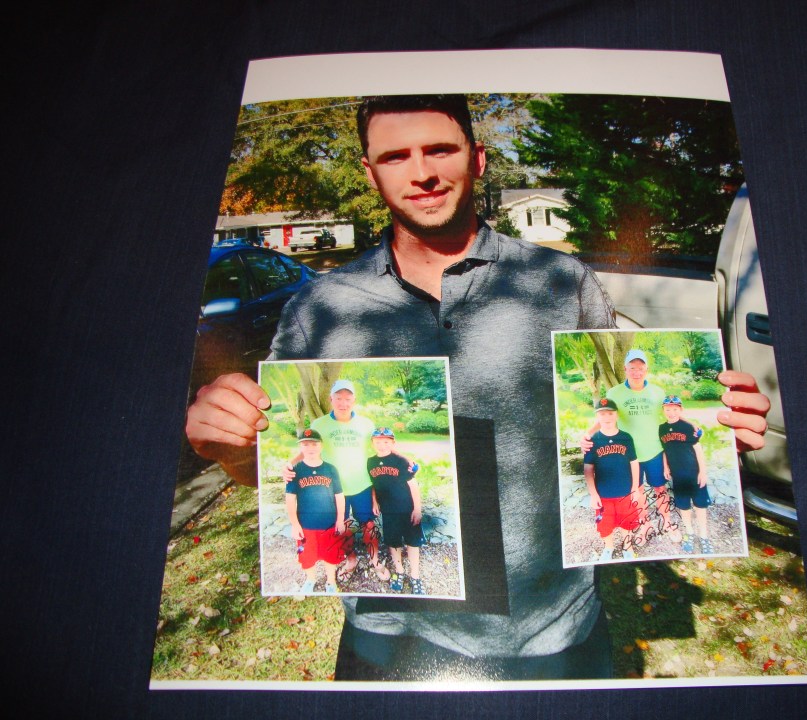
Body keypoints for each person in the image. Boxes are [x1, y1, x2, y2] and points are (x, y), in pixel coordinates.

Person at [185, 94, 770, 680]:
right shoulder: (320, 308)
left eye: (441, 149)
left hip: (549, 630)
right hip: (388, 634)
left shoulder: (561, 283)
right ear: (369, 171)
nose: (422, 173)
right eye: (396, 156)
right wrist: (230, 445)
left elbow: (611, 412)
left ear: (479, 159)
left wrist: (722, 433)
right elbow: (261, 465)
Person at [283, 379, 382, 582]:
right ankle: (351, 559)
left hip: (362, 485)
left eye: (347, 398)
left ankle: (375, 560)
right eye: (339, 398)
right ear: (331, 399)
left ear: (354, 400)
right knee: (342, 527)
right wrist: (289, 465)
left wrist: (404, 462)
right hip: (334, 490)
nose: (343, 403)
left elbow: (381, 450)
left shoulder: (366, 424)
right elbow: (308, 448)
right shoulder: (319, 424)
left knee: (369, 526)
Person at [582, 349, 685, 543]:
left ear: (646, 369)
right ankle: (645, 524)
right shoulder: (615, 393)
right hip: (628, 456)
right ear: (625, 369)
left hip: (654, 451)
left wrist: (689, 429)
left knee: (660, 490)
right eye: (632, 368)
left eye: (640, 368)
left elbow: (671, 417)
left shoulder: (657, 392)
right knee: (637, 492)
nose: (636, 372)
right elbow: (606, 416)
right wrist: (587, 434)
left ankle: (668, 522)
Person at [583, 398, 647, 562]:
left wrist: (634, 488)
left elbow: (634, 463)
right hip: (603, 493)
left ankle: (627, 546)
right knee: (604, 524)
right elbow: (588, 469)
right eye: (602, 414)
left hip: (625, 491)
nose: (607, 417)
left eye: (610, 413)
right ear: (597, 417)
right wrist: (593, 494)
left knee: (627, 522)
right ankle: (608, 547)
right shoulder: (593, 440)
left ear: (616, 415)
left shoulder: (626, 438)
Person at [284, 428, 346, 594]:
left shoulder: (331, 469)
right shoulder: (295, 471)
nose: (310, 447)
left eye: (314, 443)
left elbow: (339, 495)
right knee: (307, 556)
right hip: (305, 525)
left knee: (330, 555)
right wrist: (295, 524)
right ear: (300, 447)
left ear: (321, 446)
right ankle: (310, 579)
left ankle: (331, 581)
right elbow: (290, 499)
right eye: (305, 444)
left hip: (329, 524)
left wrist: (340, 520)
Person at [367, 426, 425, 594]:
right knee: (393, 542)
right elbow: (373, 484)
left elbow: (413, 484)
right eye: (378, 441)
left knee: (412, 541)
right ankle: (399, 571)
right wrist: (374, 501)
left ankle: (415, 576)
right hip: (388, 510)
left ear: (393, 443)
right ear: (372, 443)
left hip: (407, 508)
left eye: (386, 441)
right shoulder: (370, 462)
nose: (382, 445)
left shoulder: (401, 461)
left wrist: (417, 509)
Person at [659, 395, 713, 554]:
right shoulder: (661, 428)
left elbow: (698, 449)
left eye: (675, 409)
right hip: (678, 475)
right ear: (663, 410)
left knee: (700, 505)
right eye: (668, 409)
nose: (671, 412)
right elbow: (665, 449)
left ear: (680, 410)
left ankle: (704, 535)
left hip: (694, 473)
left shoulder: (688, 427)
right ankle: (689, 532)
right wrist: (665, 467)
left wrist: (703, 472)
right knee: (683, 505)